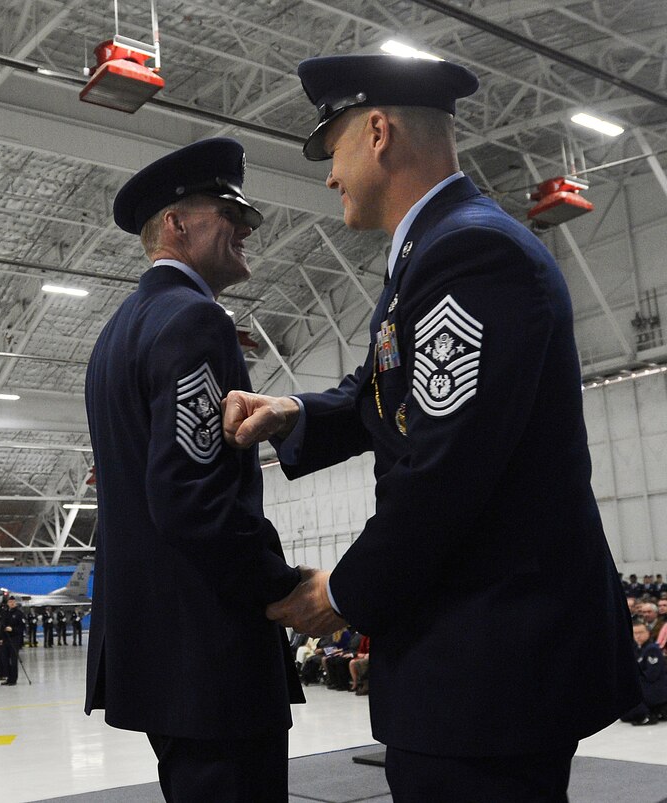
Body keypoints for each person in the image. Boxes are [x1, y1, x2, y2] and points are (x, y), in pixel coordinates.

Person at [221, 54, 640, 801]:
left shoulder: (470, 254)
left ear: (378, 132)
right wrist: (297, 412)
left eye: (333, 147)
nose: (327, 174)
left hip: (488, 669)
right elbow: (388, 388)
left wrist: (343, 592)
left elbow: (443, 473)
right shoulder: (435, 250)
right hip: (475, 666)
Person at [85, 137, 304, 802]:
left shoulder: (119, 333)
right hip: (211, 654)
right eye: (226, 212)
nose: (244, 227)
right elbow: (190, 497)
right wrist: (282, 585)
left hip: (162, 654)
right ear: (176, 224)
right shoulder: (194, 321)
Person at [621, 622, 667, 725]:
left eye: (641, 632)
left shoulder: (652, 649)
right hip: (644, 684)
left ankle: (647, 714)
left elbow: (652, 675)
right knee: (625, 716)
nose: (638, 636)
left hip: (655, 687)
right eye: (635, 633)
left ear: (648, 633)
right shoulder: (636, 649)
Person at [0, 596, 25, 685]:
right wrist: (0, 638)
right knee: (4, 659)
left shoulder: (19, 613)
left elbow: (22, 628)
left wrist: (12, 629)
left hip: (14, 639)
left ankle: (13, 679)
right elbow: (1, 626)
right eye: (10, 602)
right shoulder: (5, 613)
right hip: (5, 640)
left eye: (13, 601)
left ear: (15, 602)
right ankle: (8, 677)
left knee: (13, 660)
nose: (11, 603)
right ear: (8, 603)